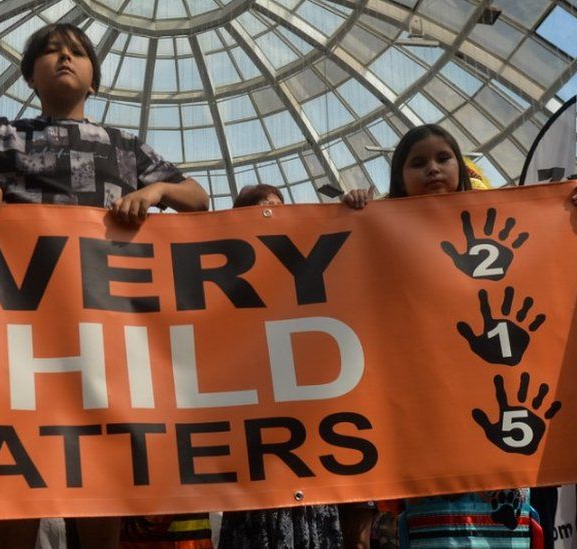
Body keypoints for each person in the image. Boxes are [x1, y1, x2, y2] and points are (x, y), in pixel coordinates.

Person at [0, 21, 208, 549]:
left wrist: (155, 195)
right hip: (18, 322)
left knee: (102, 457)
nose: (64, 58)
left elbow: (197, 198)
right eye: (50, 52)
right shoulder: (1, 135)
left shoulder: (125, 148)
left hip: (102, 320)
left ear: (94, 80)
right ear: (30, 76)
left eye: (77, 53)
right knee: (19, 456)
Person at [343, 124, 544, 549]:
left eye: (442, 158)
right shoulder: (380, 238)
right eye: (417, 163)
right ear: (399, 180)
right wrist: (351, 218)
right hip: (427, 414)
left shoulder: (505, 227)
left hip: (497, 403)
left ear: (461, 168)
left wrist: (567, 215)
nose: (432, 169)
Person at [216, 184, 344, 549]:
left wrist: (354, 212)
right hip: (253, 454)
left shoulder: (311, 271)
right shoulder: (221, 285)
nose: (275, 214)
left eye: (279, 207)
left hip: (309, 446)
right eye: (264, 208)